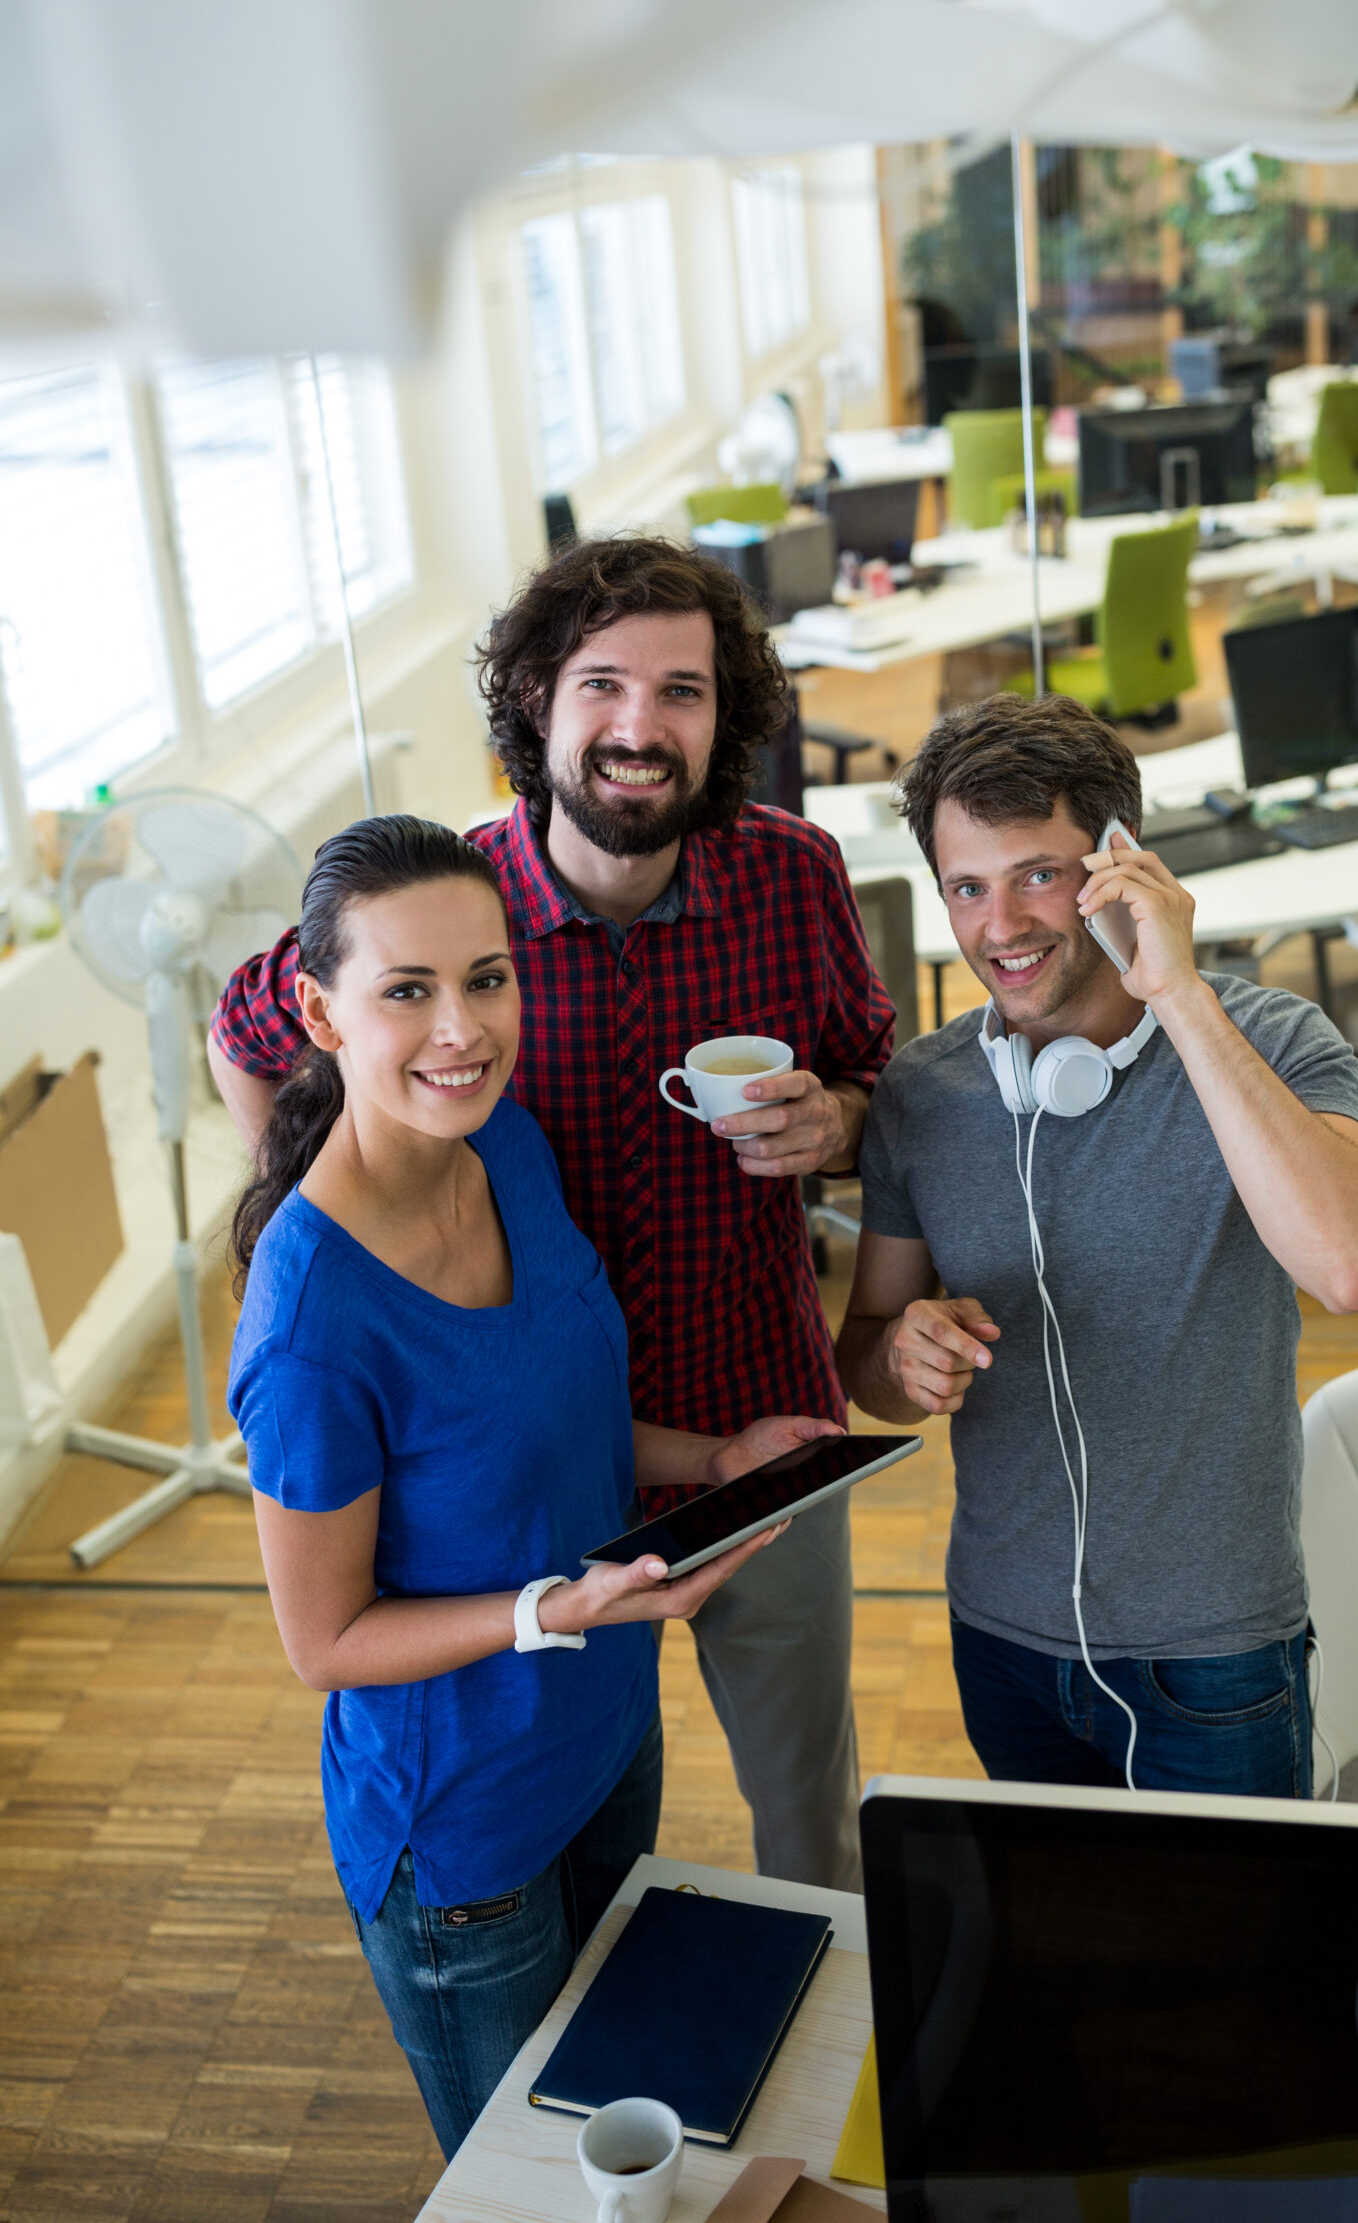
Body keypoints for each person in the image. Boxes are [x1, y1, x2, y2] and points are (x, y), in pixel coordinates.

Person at [211, 537, 894, 1892]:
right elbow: (250, 1022)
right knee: (565, 1815)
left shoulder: (794, 874)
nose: (639, 727)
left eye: (682, 692)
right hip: (527, 1470)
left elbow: (869, 1065)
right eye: (601, 684)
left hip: (754, 1433)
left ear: (726, 715)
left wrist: (840, 1121)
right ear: (536, 700)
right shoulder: (444, 910)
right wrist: (332, 1245)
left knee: (808, 1816)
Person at [227, 815, 842, 2157]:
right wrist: (550, 1613)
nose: (463, 1030)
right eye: (408, 992)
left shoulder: (506, 1149)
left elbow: (556, 1417)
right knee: (533, 2184)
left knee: (625, 2126)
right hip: (465, 1835)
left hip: (606, 1736)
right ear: (321, 1017)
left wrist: (712, 1460)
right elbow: (321, 1642)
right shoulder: (312, 1322)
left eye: (487, 979)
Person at [836, 694, 1358, 1798]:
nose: (998, 925)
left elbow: (1356, 1266)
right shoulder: (925, 1092)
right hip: (999, 1634)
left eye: (1036, 875)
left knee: (1242, 1964)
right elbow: (867, 1360)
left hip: (1214, 1650)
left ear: (1119, 865)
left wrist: (1179, 995)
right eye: (966, 887)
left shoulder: (1272, 1042)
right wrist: (899, 1358)